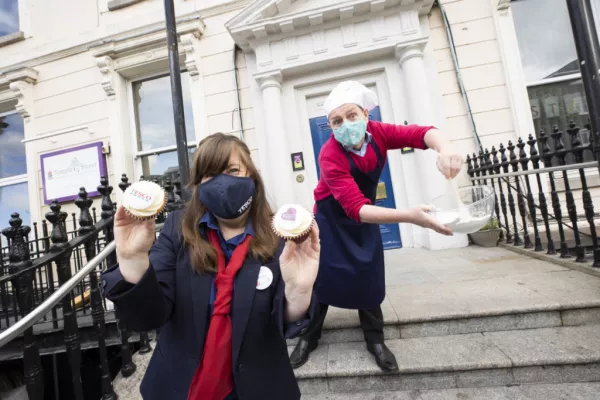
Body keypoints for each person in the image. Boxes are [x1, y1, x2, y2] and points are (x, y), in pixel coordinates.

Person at [102, 133, 321, 400]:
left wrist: (299, 290)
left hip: (258, 388)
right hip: (179, 387)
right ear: (198, 185)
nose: (222, 183)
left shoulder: (280, 237)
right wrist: (133, 260)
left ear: (251, 175)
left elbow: (282, 321)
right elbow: (150, 317)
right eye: (210, 175)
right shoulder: (177, 228)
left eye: (232, 170)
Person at [290, 81, 463, 372]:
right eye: (337, 121)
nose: (345, 124)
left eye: (351, 115)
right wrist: (411, 216)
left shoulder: (380, 133)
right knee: (322, 277)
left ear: (366, 115)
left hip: (366, 213)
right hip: (332, 219)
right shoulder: (330, 154)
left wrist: (445, 148)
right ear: (330, 126)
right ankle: (308, 337)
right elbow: (354, 208)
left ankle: (375, 340)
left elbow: (422, 134)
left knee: (367, 272)